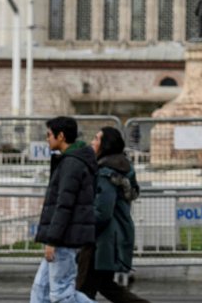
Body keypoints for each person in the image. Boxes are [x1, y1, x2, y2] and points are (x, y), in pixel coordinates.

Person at [76, 127, 149, 303]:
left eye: (96, 138)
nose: (92, 142)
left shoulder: (106, 172)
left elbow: (102, 212)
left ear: (105, 145)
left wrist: (83, 230)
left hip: (101, 241)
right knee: (105, 286)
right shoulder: (121, 167)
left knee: (83, 290)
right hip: (112, 238)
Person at [31, 116, 97, 303]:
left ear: (60, 136)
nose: (47, 139)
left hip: (64, 238)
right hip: (63, 236)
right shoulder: (70, 161)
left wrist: (52, 240)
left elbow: (64, 205)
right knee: (40, 291)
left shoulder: (71, 164)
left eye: (49, 134)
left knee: (61, 294)